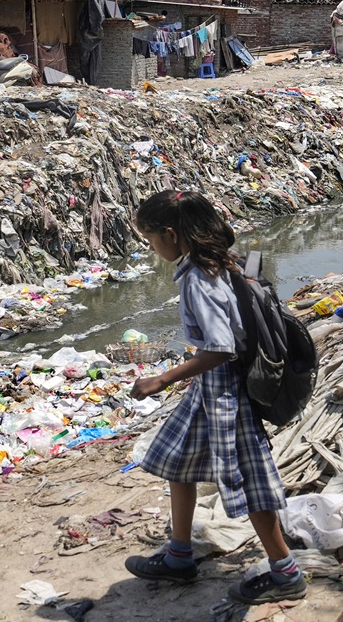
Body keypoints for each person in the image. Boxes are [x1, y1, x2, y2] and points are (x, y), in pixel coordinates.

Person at [124, 190, 306, 604]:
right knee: (178, 462)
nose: (154, 250)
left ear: (170, 234)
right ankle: (179, 555)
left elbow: (220, 346)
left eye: (152, 241)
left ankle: (286, 572)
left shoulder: (197, 278)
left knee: (249, 479)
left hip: (223, 387)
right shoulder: (225, 263)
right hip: (214, 385)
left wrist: (163, 378)